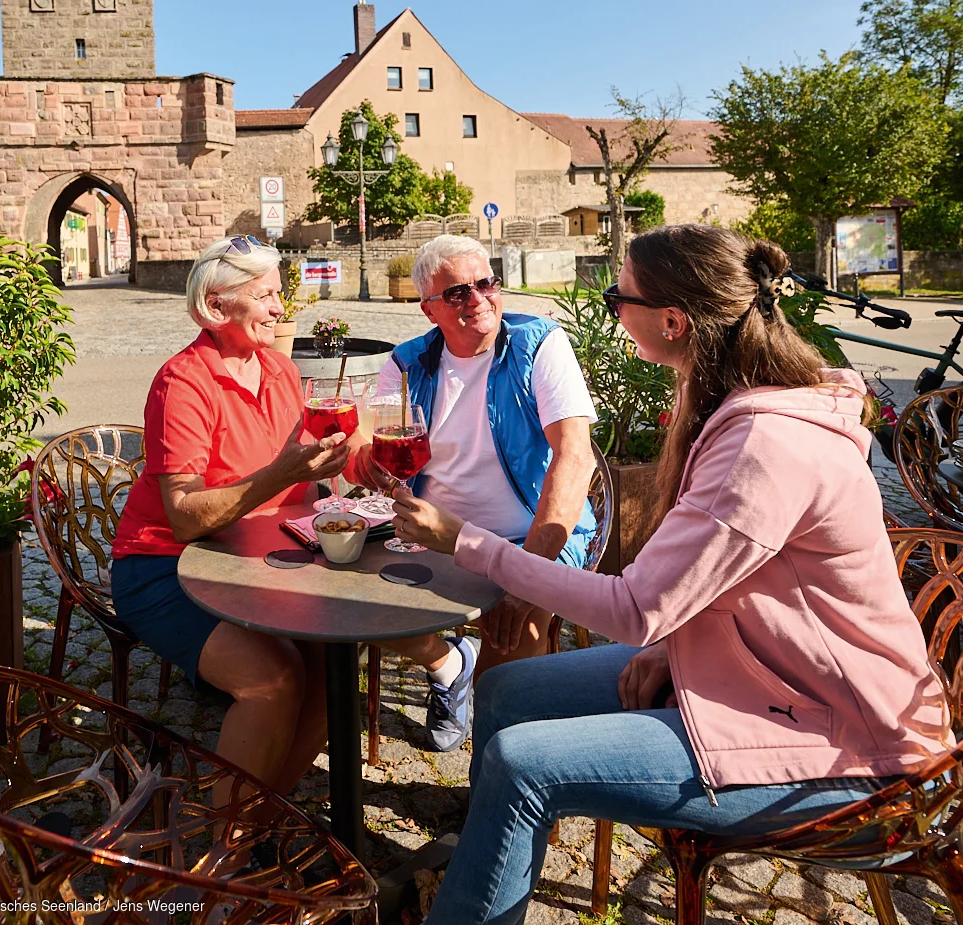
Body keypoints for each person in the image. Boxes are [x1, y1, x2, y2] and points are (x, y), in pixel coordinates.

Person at [391, 225, 953, 925]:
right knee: (503, 687)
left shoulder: (763, 441)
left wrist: (467, 542)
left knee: (521, 759)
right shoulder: (732, 400)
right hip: (756, 676)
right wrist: (669, 643)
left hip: (847, 748)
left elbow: (632, 606)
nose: (611, 309)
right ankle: (487, 848)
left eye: (616, 295)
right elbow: (716, 578)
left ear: (672, 321)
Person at [111, 236, 349, 796]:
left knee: (330, 669)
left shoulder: (279, 370)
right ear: (217, 307)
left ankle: (266, 826)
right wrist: (282, 475)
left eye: (279, 294)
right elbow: (187, 516)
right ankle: (226, 856)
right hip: (165, 566)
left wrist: (344, 473)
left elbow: (302, 480)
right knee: (274, 679)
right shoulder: (183, 382)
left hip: (256, 557)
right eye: (265, 296)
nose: (279, 308)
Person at [352, 234, 597, 752]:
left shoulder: (539, 345)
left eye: (486, 283)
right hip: (429, 535)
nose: (478, 299)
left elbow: (575, 456)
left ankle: (498, 790)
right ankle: (446, 665)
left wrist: (525, 575)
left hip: (529, 536)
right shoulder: (406, 363)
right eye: (458, 292)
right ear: (429, 309)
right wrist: (363, 461)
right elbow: (374, 451)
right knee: (345, 602)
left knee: (508, 668)